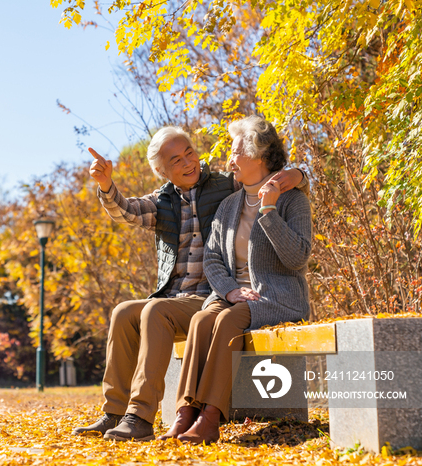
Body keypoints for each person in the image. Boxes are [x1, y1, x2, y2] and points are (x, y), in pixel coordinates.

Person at [72, 125, 308, 442]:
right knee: (124, 312)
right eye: (176, 161)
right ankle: (116, 412)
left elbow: (272, 175)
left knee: (158, 312)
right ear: (163, 172)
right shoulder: (166, 201)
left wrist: (298, 176)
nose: (188, 163)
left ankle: (144, 417)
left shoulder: (226, 185)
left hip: (215, 295)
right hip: (196, 296)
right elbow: (127, 211)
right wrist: (105, 185)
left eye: (190, 153)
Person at [162, 115, 312, 444]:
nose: (229, 160)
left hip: (276, 297)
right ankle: (184, 413)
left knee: (228, 321)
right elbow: (213, 257)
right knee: (203, 320)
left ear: (258, 154)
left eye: (235, 151)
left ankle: (211, 417)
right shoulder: (230, 205)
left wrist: (269, 212)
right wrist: (229, 290)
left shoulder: (292, 200)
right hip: (235, 297)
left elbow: (297, 257)